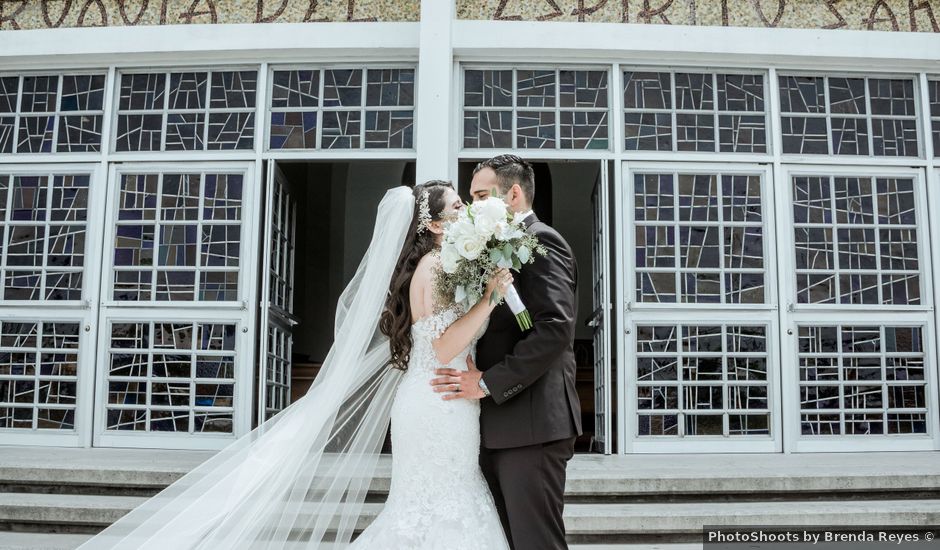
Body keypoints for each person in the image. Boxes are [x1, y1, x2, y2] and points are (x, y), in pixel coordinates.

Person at [74, 181, 512, 549]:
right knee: (435, 505)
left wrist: (476, 318)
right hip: (437, 402)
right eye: (458, 205)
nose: (468, 209)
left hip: (445, 397)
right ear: (435, 224)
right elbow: (438, 348)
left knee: (438, 502)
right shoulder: (435, 264)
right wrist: (491, 299)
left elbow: (442, 339)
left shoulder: (443, 267)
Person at [430, 154, 582, 550]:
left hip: (532, 424)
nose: (472, 206)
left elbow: (554, 328)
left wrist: (487, 382)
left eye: (481, 195)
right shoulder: (488, 247)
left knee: (535, 543)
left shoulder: (542, 239)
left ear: (513, 194)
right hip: (497, 425)